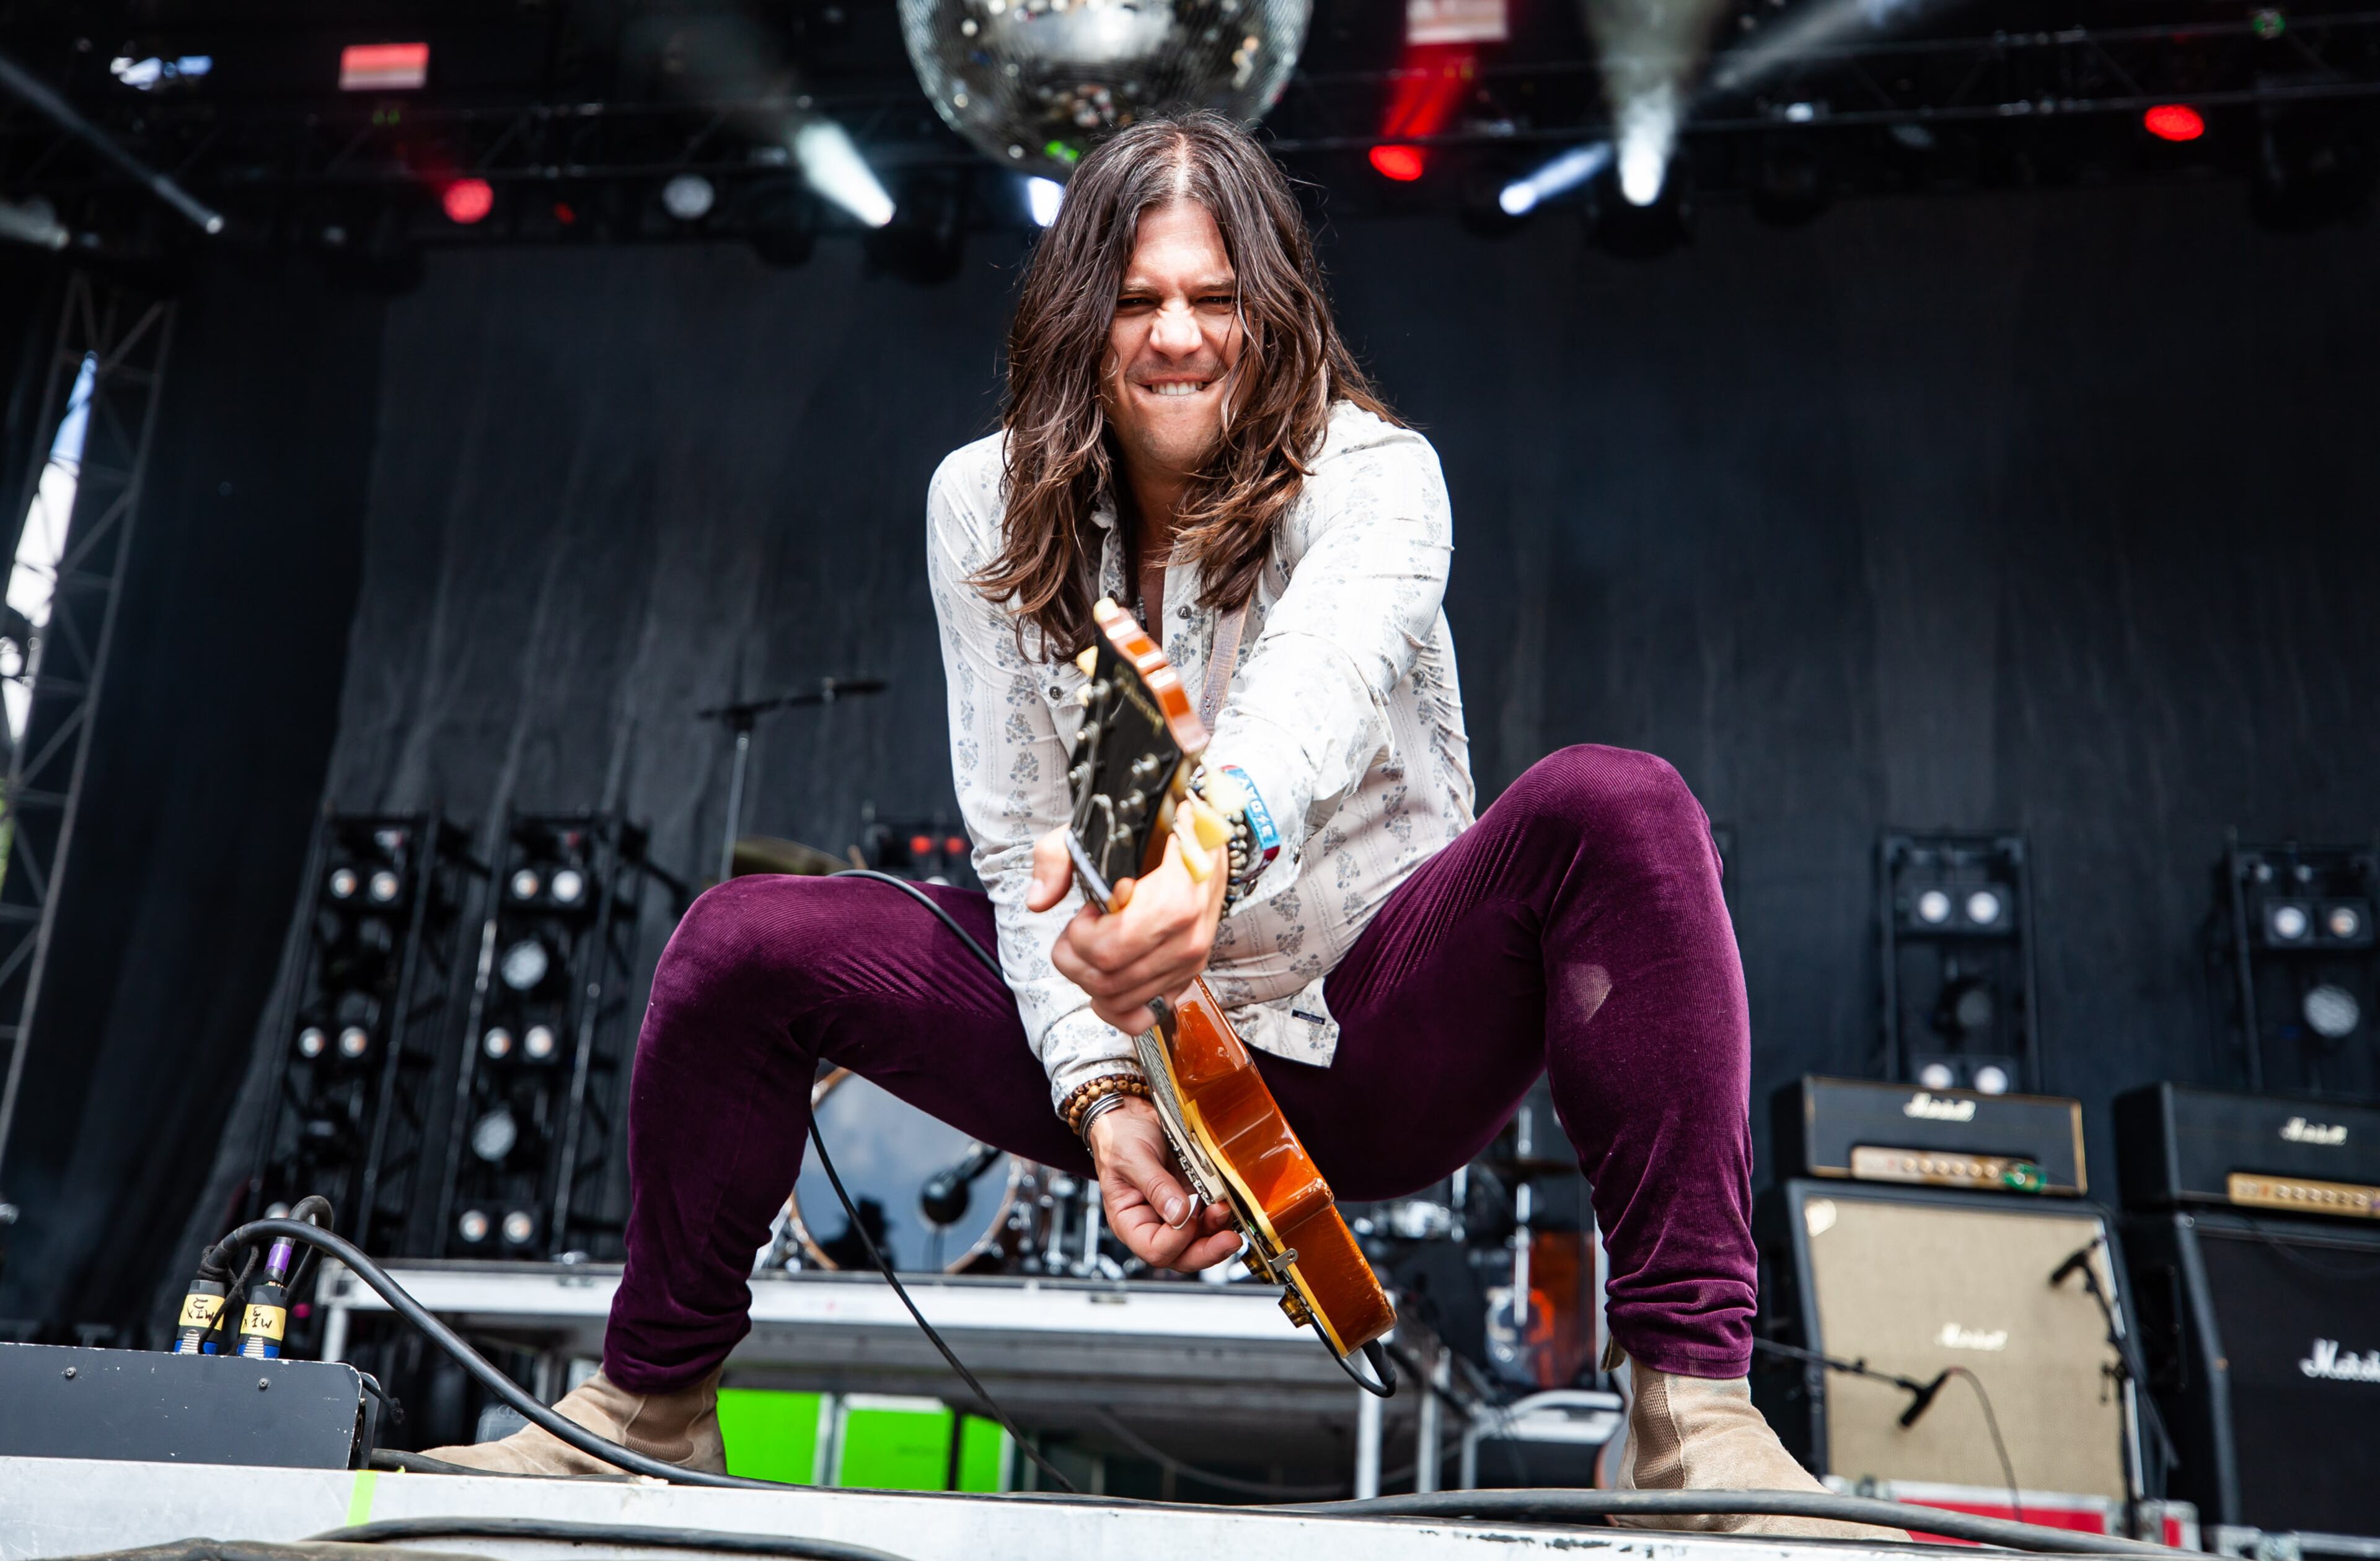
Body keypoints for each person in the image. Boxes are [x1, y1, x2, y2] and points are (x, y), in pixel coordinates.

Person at [431, 111, 1895, 1540]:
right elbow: (1019, 840)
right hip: (1134, 1035)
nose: (1179, 335)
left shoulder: (1377, 474)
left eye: (1214, 298)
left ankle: (1686, 1409)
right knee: (746, 943)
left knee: (1616, 803)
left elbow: (1312, 693)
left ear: (1274, 310)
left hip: (1374, 1028)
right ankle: (643, 1412)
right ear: (1079, 316)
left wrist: (1209, 852)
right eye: (1138, 300)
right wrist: (1102, 1094)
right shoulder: (983, 504)